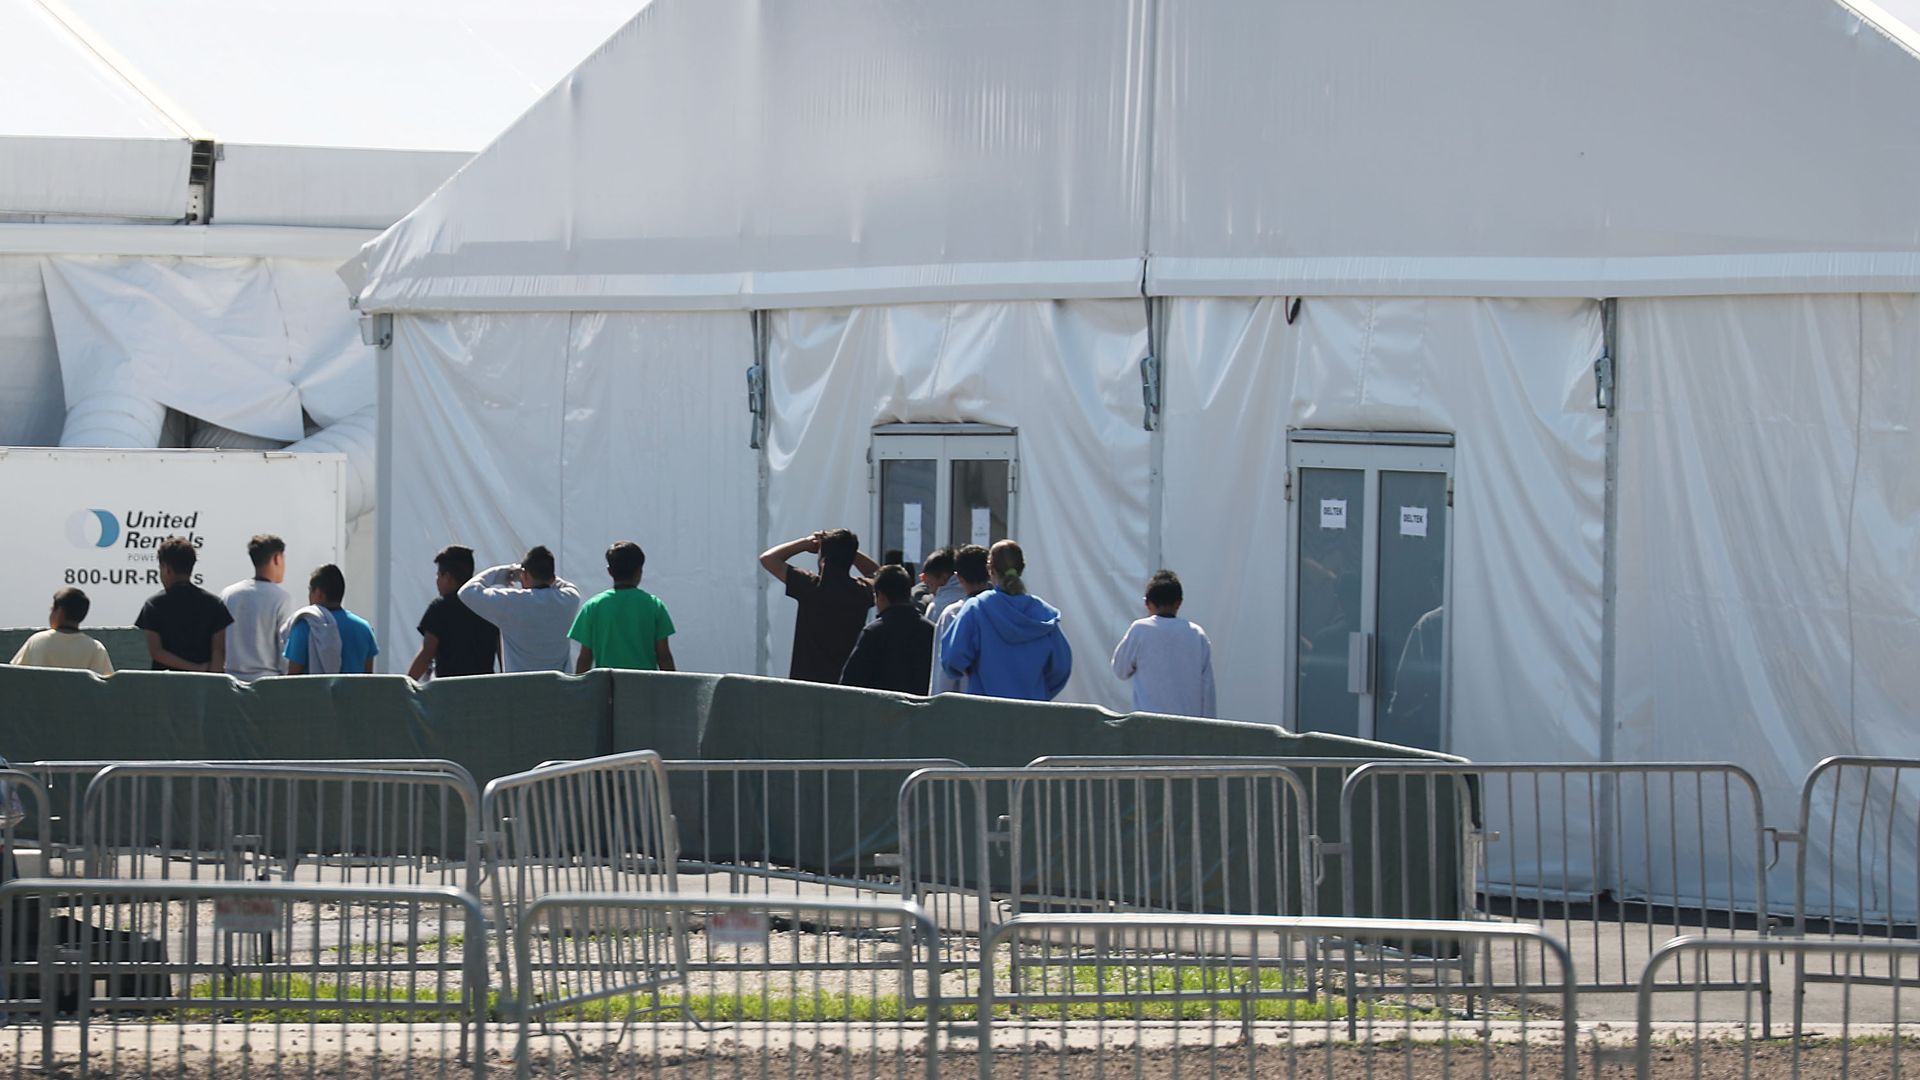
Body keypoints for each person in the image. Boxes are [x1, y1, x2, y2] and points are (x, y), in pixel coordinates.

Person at [939, 540, 1072, 701]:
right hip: (1033, 713)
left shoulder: (977, 608)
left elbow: (952, 659)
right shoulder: (1044, 614)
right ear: (1021, 569)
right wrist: (1039, 692)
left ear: (990, 570)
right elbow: (1061, 669)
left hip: (984, 712)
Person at [760, 529, 879, 683]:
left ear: (823, 559)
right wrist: (849, 551)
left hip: (807, 682)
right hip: (847, 682)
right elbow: (879, 574)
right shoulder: (861, 590)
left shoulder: (811, 586)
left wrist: (806, 543)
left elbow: (768, 558)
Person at [1110, 570, 1216, 718]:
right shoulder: (1197, 634)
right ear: (1179, 603)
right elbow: (1208, 692)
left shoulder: (1140, 630)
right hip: (1189, 726)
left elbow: (1120, 670)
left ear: (1148, 603)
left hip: (1148, 724)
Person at [458, 546, 581, 673]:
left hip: (519, 687)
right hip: (558, 687)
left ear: (525, 575)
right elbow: (563, 584)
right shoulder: (569, 599)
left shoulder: (511, 601)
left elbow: (466, 592)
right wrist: (544, 574)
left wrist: (504, 571)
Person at [570, 541, 677, 672]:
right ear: (639, 571)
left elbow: (585, 657)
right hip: (646, 687)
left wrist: (579, 689)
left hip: (606, 687)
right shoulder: (655, 605)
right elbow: (664, 656)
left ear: (609, 571)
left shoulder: (593, 607)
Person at [134, 537, 232, 672]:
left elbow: (156, 652)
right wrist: (210, 679)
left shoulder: (153, 605)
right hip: (203, 688)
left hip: (165, 687)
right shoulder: (215, 604)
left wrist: (195, 668)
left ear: (166, 569)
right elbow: (219, 651)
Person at [407, 545, 500, 680]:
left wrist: (405, 687)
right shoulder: (489, 606)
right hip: (485, 691)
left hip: (449, 692)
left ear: (448, 577)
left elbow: (426, 656)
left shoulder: (439, 608)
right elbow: (502, 651)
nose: (437, 580)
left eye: (438, 575)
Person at [840, 565, 936, 692]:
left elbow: (850, 681)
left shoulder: (873, 632)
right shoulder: (931, 630)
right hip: (922, 708)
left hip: (880, 708)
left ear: (881, 595)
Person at [220, 534, 298, 682]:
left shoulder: (229, 595)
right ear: (277, 558)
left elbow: (220, 645)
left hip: (231, 683)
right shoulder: (281, 598)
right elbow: (285, 649)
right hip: (267, 685)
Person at [284, 564, 378, 675]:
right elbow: (368, 679)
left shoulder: (305, 626)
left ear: (319, 593)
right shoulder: (364, 629)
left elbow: (292, 679)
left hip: (315, 692)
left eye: (310, 590)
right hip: (354, 693)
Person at [928, 545, 990, 695]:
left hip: (967, 705)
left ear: (958, 577)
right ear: (990, 573)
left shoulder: (952, 614)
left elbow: (943, 676)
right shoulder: (1005, 610)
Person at [9, 588, 112, 675]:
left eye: (52, 609)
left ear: (59, 611)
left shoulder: (36, 641)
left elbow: (13, 676)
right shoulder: (96, 648)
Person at [917, 547, 964, 620]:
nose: (924, 582)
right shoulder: (974, 597)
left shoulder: (937, 606)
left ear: (943, 578)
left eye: (927, 578)